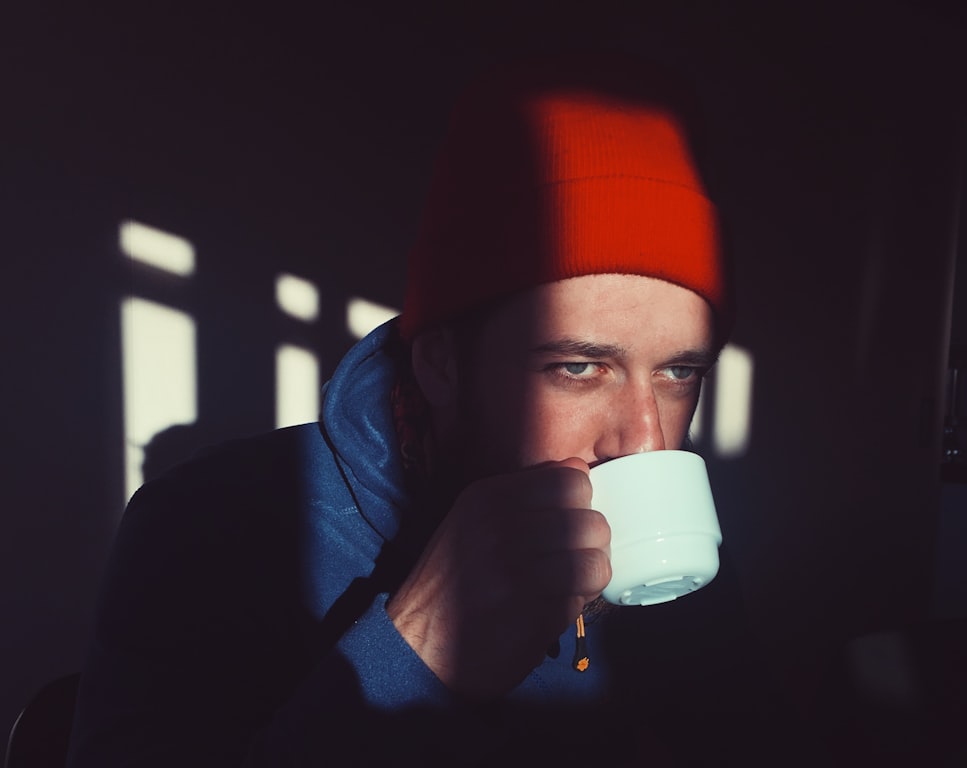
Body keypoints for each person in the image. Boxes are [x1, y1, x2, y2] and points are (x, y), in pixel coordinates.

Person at [68, 53, 811, 766]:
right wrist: (411, 654)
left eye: (679, 371)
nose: (644, 441)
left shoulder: (670, 545)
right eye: (579, 367)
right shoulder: (207, 527)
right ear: (442, 364)